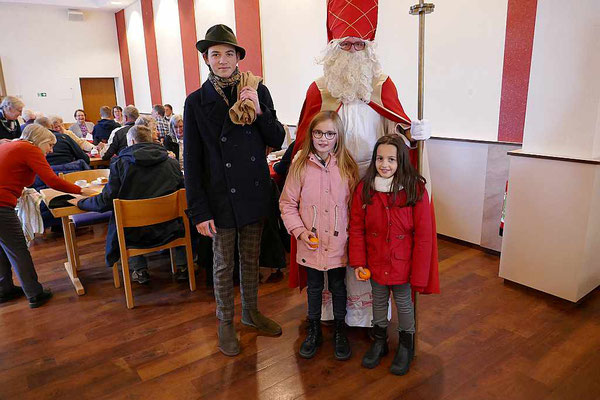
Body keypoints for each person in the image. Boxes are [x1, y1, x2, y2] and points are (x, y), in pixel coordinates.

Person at [290, 0, 435, 327]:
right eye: (346, 43)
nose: (353, 49)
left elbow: (395, 130)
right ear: (334, 47)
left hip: (375, 182)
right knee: (333, 245)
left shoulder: (382, 84)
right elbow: (305, 138)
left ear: (369, 46)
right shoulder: (320, 88)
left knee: (370, 246)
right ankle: (330, 313)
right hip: (331, 184)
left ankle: (371, 318)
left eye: (360, 43)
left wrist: (411, 133)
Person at [184, 24, 285, 356]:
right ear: (206, 59)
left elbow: (276, 138)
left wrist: (258, 110)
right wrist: (199, 211)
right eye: (216, 54)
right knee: (223, 263)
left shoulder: (258, 90)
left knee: (252, 258)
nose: (223, 59)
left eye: (229, 53)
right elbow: (192, 159)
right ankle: (225, 322)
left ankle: (251, 312)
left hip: (254, 191)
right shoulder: (197, 101)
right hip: (219, 197)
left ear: (238, 57)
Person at [349, 134, 433, 375]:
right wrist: (358, 262)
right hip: (375, 262)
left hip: (402, 265)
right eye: (380, 158)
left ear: (402, 161)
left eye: (391, 159)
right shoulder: (365, 188)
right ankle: (380, 341)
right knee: (378, 301)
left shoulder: (415, 190)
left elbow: (424, 236)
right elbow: (356, 227)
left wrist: (418, 274)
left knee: (404, 304)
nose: (384, 164)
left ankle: (406, 345)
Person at [280, 111, 358, 360]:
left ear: (338, 137)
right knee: (314, 287)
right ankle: (313, 328)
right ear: (311, 134)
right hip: (310, 241)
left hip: (338, 242)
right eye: (318, 133)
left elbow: (355, 207)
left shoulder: (347, 167)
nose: (323, 138)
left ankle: (339, 330)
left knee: (338, 286)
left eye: (330, 133)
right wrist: (300, 232)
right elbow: (287, 203)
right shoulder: (300, 165)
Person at [75, 125, 191, 283]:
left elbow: (105, 201)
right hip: (170, 228)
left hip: (136, 233)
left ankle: (139, 269)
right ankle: (183, 265)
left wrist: (81, 203)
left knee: (126, 221)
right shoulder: (171, 162)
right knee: (174, 215)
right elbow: (183, 193)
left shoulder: (120, 163)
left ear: (132, 141)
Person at [0, 124, 95, 307]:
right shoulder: (30, 148)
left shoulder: (11, 145)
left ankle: (5, 289)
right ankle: (35, 294)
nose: (51, 150)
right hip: (2, 205)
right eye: (49, 145)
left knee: (4, 248)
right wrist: (82, 191)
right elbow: (51, 180)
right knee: (18, 249)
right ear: (40, 141)